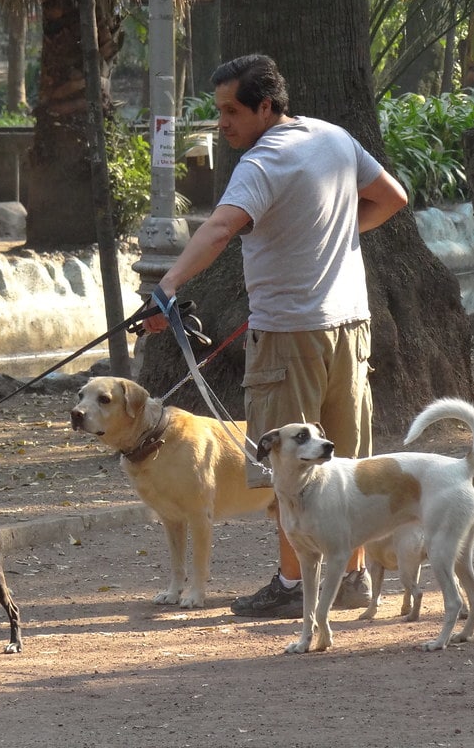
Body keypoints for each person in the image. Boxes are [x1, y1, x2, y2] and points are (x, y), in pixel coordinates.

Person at [143, 54, 408, 618]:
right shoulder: (335, 139)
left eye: (232, 111)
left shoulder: (262, 162)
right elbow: (392, 198)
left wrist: (166, 284)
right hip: (352, 328)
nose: (223, 123)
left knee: (286, 465)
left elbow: (219, 228)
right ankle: (352, 577)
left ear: (267, 107)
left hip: (289, 334)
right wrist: (331, 233)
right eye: (218, 112)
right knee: (344, 459)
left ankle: (293, 586)